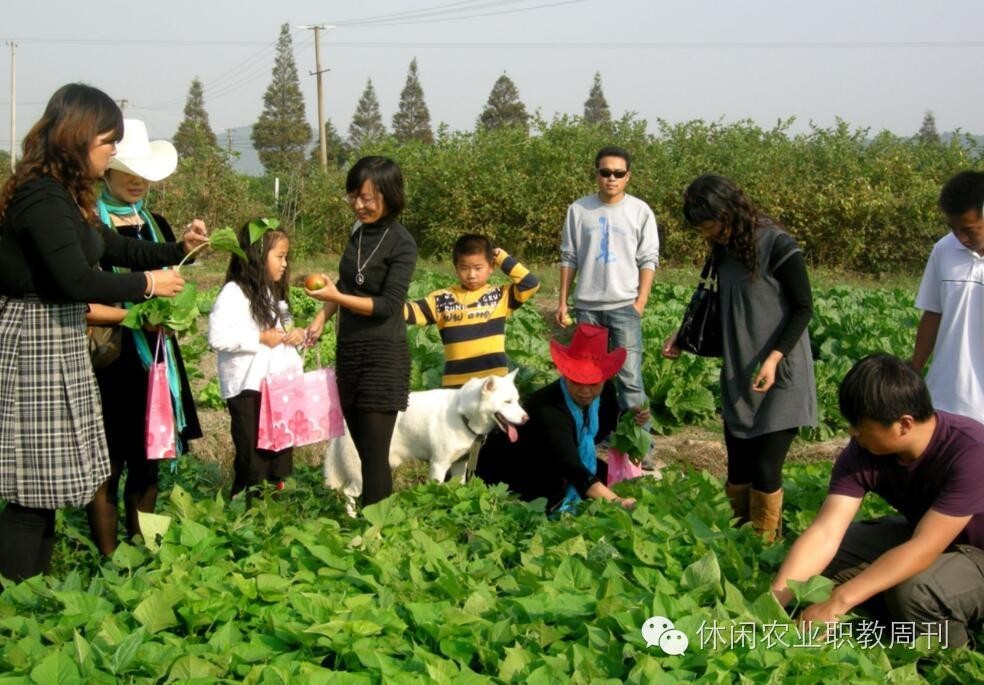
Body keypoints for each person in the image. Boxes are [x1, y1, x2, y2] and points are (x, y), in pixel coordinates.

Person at [0, 83, 206, 581]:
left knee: (42, 488)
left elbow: (112, 248)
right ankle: (15, 598)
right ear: (78, 138)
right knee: (32, 492)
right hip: (34, 341)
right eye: (108, 141)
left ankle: (29, 598)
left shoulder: (64, 198)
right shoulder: (41, 198)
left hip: (55, 339)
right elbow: (75, 278)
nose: (114, 152)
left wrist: (177, 249)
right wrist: (149, 285)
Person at [772, 354, 984, 648]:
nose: (852, 432)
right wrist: (773, 604)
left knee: (916, 591)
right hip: (929, 535)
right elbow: (826, 532)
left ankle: (955, 658)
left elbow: (924, 548)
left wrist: (838, 602)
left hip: (977, 554)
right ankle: (896, 615)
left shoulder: (970, 450)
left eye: (861, 425)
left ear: (904, 424)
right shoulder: (863, 451)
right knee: (829, 559)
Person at [663, 174, 816, 541]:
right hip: (740, 371)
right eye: (702, 229)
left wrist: (774, 358)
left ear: (729, 210)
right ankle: (742, 546)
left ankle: (766, 550)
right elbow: (715, 303)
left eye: (711, 225)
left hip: (780, 370)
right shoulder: (723, 248)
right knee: (738, 471)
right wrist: (683, 336)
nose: (708, 234)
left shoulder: (777, 244)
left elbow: (803, 308)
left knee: (766, 469)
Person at [85, 119, 204, 554]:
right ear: (107, 172)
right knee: (107, 463)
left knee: (148, 458)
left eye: (143, 174)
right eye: (127, 171)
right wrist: (136, 315)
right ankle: (109, 557)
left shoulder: (157, 224)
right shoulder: (90, 227)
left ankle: (144, 552)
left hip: (155, 358)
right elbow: (83, 295)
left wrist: (172, 314)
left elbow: (174, 282)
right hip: (109, 360)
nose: (137, 181)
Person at [305, 156, 418, 507]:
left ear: (389, 194)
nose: (358, 205)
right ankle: (375, 523)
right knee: (359, 446)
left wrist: (336, 296)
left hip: (383, 356)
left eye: (367, 198)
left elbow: (387, 305)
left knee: (373, 454)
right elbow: (344, 282)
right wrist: (324, 314)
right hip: (350, 351)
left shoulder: (402, 242)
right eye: (353, 196)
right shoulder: (358, 233)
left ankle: (377, 529)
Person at [476, 323, 648, 514]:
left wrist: (629, 417)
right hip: (518, 469)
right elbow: (571, 466)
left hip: (558, 459)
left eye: (593, 383)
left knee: (606, 478)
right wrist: (618, 502)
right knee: (556, 499)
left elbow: (606, 424)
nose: (585, 390)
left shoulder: (605, 391)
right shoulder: (548, 408)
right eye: (577, 381)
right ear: (565, 375)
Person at [556, 145, 659, 451]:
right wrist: (563, 301)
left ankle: (641, 446)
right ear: (596, 174)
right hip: (587, 307)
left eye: (618, 173)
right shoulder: (579, 210)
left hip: (624, 307)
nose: (611, 178)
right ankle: (591, 441)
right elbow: (568, 257)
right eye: (605, 172)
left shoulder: (640, 211)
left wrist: (640, 302)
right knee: (586, 381)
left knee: (630, 379)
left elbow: (648, 259)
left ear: (628, 176)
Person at [209, 223, 305, 498]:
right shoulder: (234, 292)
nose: (285, 264)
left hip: (277, 386)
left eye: (286, 257)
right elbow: (217, 337)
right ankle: (244, 512)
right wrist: (260, 338)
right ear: (257, 256)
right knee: (253, 456)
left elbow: (282, 331)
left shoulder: (271, 294)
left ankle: (269, 510)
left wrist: (295, 335)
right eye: (280, 256)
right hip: (248, 388)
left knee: (278, 453)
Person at [404, 234, 540, 388]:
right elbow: (409, 311)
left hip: (493, 383)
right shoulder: (442, 299)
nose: (471, 275)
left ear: (491, 268)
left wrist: (502, 257)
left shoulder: (500, 296)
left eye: (478, 268)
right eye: (464, 268)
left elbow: (530, 284)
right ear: (456, 268)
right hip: (456, 385)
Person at [911, 171, 984, 427]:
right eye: (953, 229)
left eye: (969, 230)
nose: (961, 238)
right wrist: (914, 371)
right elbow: (933, 314)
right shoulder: (944, 250)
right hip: (944, 399)